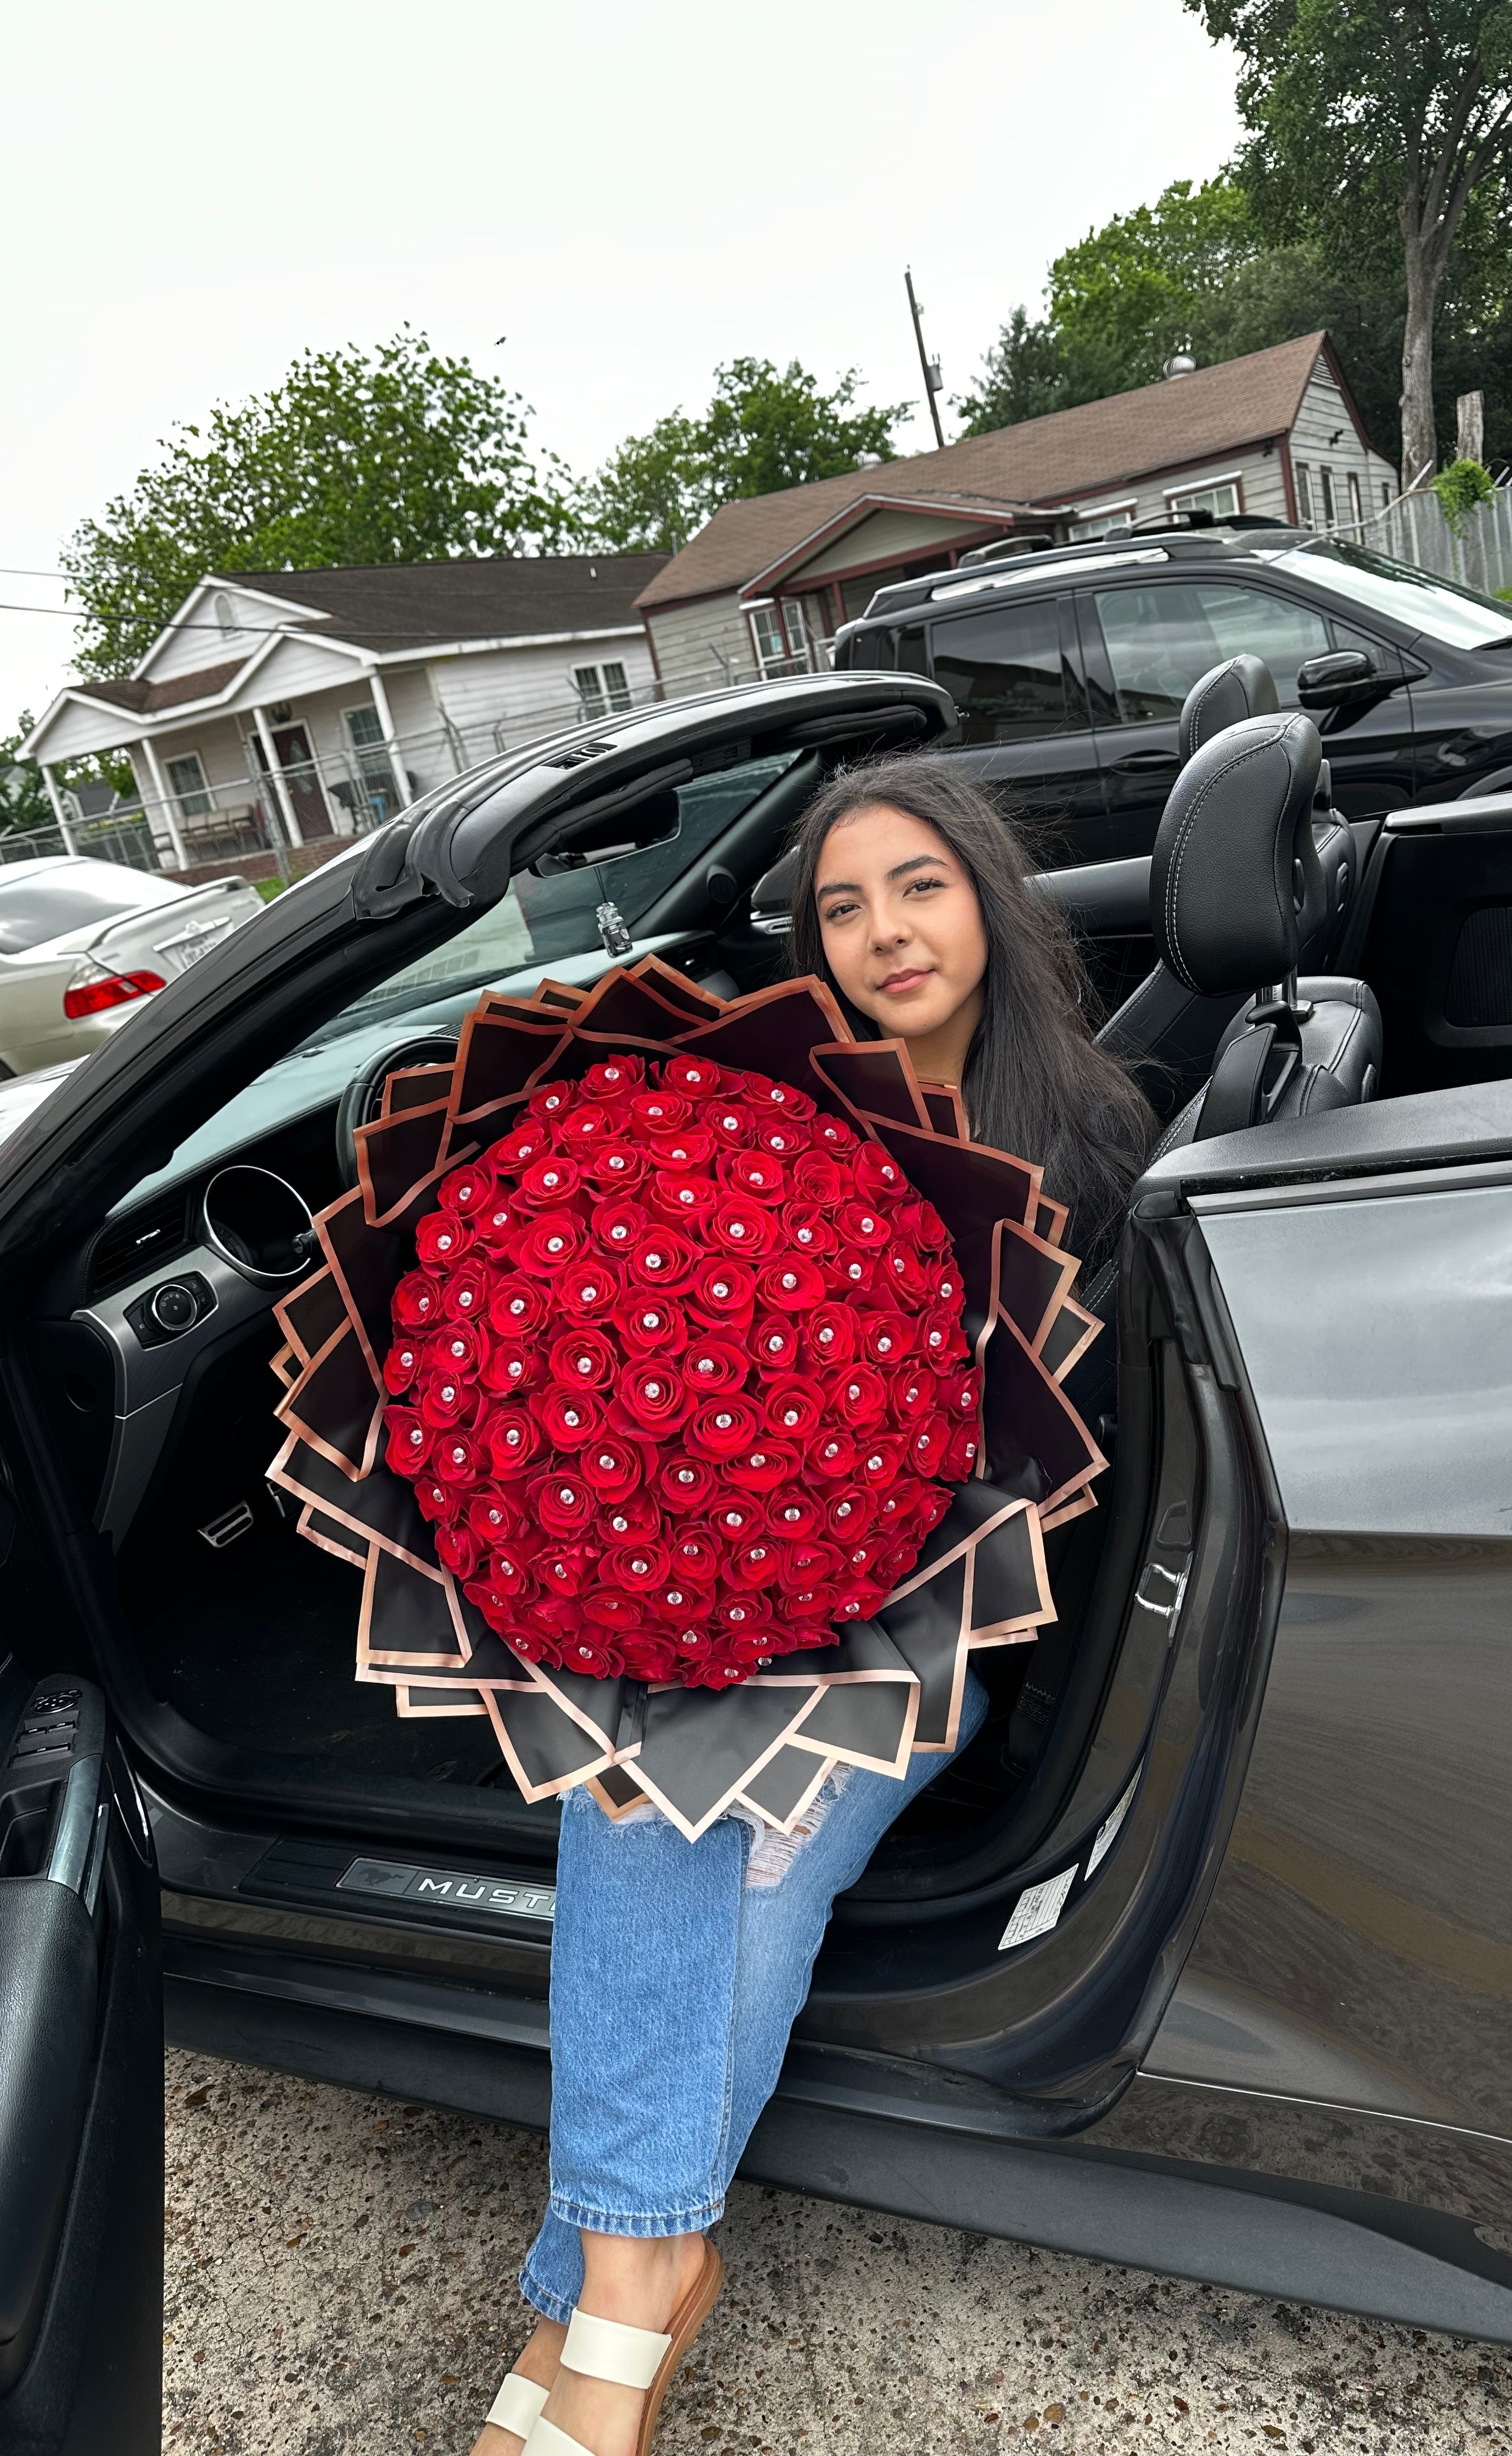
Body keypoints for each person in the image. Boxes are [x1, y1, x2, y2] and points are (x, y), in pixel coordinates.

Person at [473, 757, 1155, 2456]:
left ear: (987, 898)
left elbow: (1053, 1500)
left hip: (944, 1644)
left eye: (918, 886)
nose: (885, 933)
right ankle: (637, 2282)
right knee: (639, 1774)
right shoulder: (778, 1115)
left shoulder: (1085, 1138)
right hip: (740, 1610)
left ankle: (599, 2300)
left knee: (705, 1811)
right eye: (841, 907)